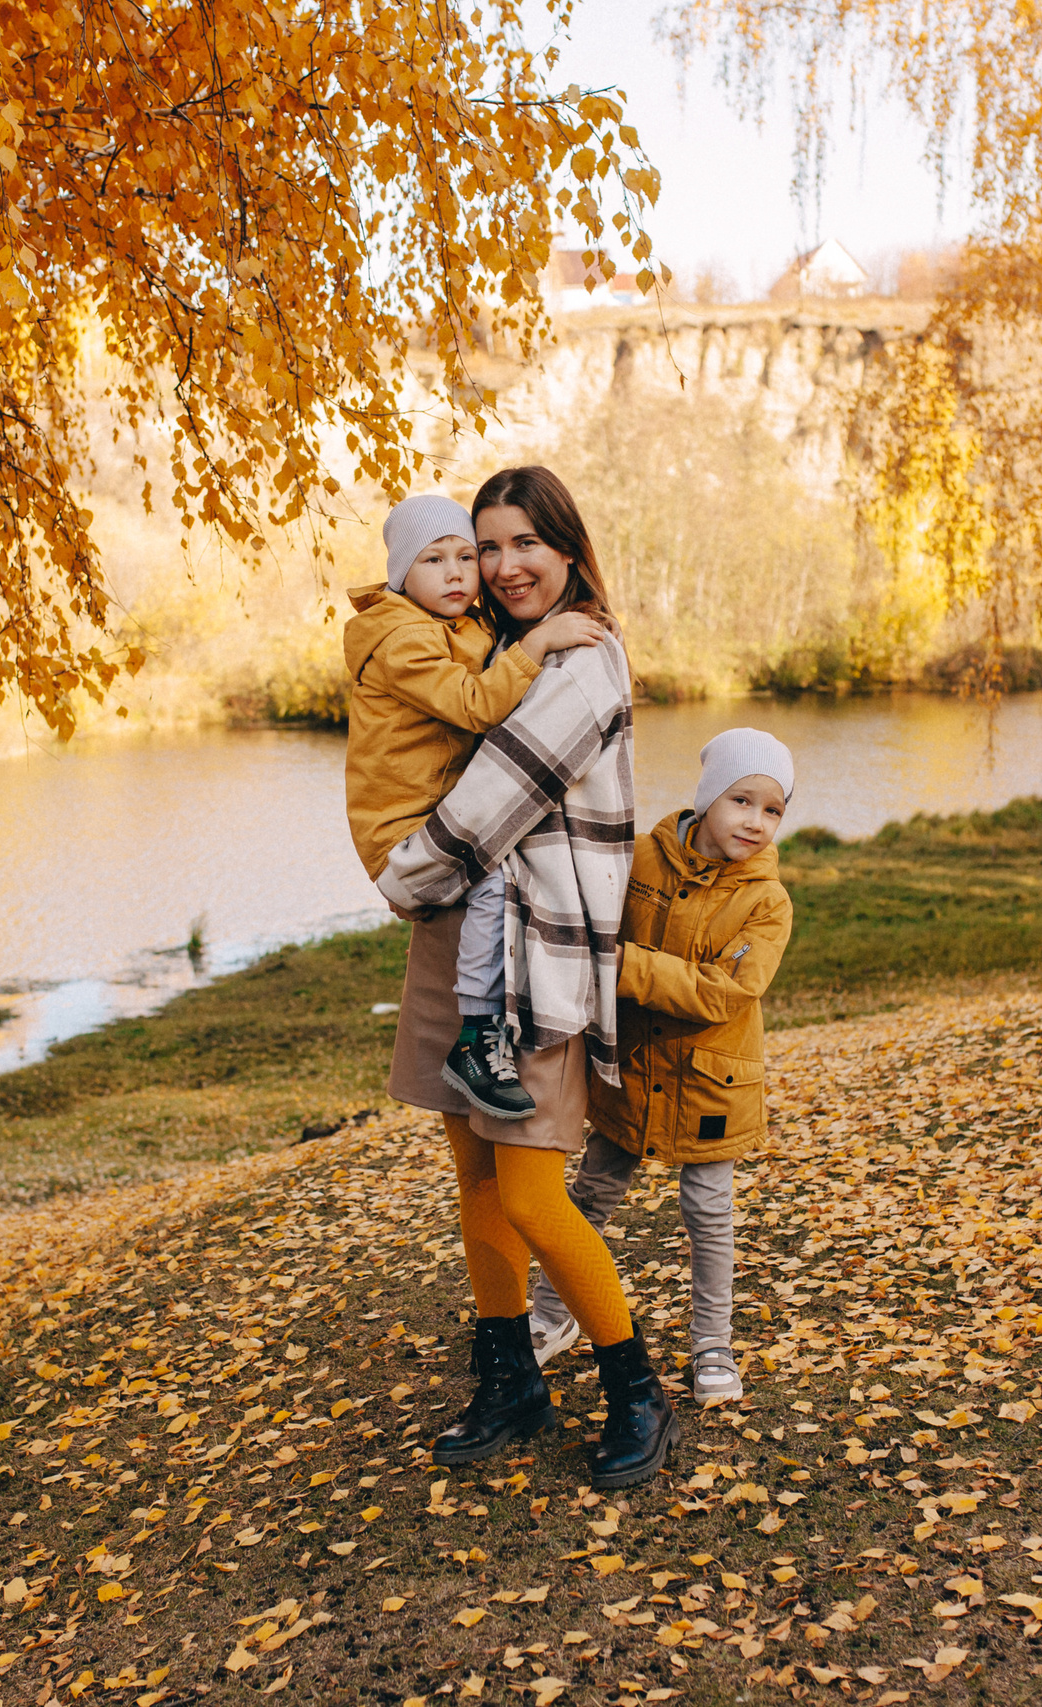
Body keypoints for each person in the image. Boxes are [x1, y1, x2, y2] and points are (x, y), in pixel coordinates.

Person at [370, 466, 675, 1489]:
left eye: (521, 546)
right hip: (461, 953)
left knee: (536, 1193)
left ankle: (636, 1386)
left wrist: (398, 879)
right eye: (483, 547)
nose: (501, 568)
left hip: (535, 964)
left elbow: (483, 807)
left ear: (569, 552)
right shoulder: (486, 647)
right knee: (476, 1184)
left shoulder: (581, 660)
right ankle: (509, 1381)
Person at [528, 729, 796, 1407]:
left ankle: (712, 1342)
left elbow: (725, 992)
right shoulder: (643, 855)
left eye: (772, 810)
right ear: (707, 797)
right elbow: (598, 917)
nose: (755, 822)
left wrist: (629, 967)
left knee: (708, 1210)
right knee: (591, 1193)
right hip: (633, 1070)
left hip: (712, 1083)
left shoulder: (767, 902)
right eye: (742, 800)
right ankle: (553, 1313)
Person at [343, 494, 605, 1118]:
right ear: (402, 575)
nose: (458, 572)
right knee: (491, 885)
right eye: (434, 560)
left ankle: (480, 1033)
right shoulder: (401, 639)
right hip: (404, 827)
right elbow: (474, 703)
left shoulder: (458, 625)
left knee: (493, 881)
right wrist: (538, 642)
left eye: (467, 555)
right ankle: (478, 1035)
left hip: (436, 810)